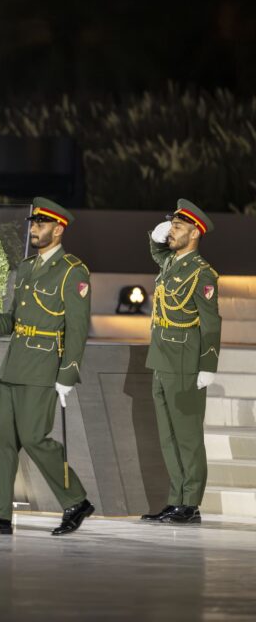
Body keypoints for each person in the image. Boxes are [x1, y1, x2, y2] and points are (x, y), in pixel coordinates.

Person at [0, 197, 94, 536]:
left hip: (44, 366)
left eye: (41, 224)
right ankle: (0, 516)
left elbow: (77, 328)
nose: (34, 229)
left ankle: (77, 500)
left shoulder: (72, 270)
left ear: (58, 228)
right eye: (32, 223)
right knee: (2, 441)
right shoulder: (26, 266)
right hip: (15, 365)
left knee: (35, 438)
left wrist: (68, 372)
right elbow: (15, 322)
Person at [141, 200, 221, 525]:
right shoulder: (172, 263)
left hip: (186, 363)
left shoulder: (203, 274)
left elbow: (211, 323)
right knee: (168, 437)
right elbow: (159, 253)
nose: (170, 232)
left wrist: (208, 365)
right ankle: (176, 500)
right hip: (161, 359)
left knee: (187, 438)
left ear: (194, 233)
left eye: (177, 227)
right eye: (171, 226)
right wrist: (155, 237)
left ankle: (191, 503)